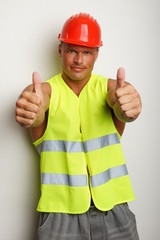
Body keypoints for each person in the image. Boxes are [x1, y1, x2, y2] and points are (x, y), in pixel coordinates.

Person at [16, 13, 141, 240]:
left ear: (96, 55)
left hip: (114, 209)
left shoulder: (108, 89)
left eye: (87, 52)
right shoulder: (46, 91)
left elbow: (118, 99)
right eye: (72, 50)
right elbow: (37, 102)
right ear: (60, 50)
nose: (79, 60)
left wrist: (127, 105)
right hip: (60, 215)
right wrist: (31, 108)